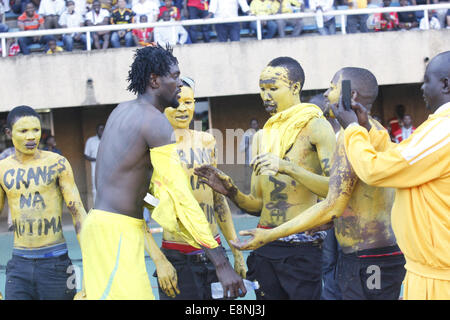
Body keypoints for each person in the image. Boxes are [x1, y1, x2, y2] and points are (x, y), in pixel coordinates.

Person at [79, 45, 246, 300]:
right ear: (154, 80)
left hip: (106, 227)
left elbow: (139, 190)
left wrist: (160, 204)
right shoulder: (155, 122)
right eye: (175, 76)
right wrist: (220, 262)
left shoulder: (121, 111)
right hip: (116, 233)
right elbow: (180, 195)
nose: (180, 83)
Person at [232, 68, 407, 300]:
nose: (326, 94)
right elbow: (349, 198)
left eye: (332, 88)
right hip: (358, 257)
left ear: (350, 95)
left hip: (371, 259)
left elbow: (332, 204)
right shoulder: (365, 132)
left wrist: (271, 234)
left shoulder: (355, 136)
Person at [195, 57, 336, 300]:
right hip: (264, 246)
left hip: (302, 248)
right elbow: (258, 205)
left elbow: (336, 191)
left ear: (295, 88)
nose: (265, 95)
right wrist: (230, 191)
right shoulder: (262, 136)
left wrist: (288, 168)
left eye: (273, 89)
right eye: (262, 89)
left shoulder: (316, 127)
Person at [330, 51, 450, 300]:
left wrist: (352, 130)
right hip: (426, 271)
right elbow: (403, 161)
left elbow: (375, 171)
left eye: (426, 80)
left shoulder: (444, 129)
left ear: (446, 84)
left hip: (438, 279)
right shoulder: (437, 128)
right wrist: (367, 131)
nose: (422, 87)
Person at [155, 76, 247, 299]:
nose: (182, 108)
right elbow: (140, 205)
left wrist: (236, 252)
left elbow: (217, 200)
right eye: (176, 102)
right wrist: (159, 261)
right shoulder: (153, 145)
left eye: (189, 102)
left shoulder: (207, 141)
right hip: (177, 257)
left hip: (214, 254)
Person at [0, 106, 87, 300]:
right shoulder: (2, 169)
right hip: (18, 266)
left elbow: (78, 213)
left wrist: (89, 271)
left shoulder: (58, 163)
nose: (31, 136)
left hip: (56, 264)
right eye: (23, 131)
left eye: (36, 130)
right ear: (8, 132)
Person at [308, 93, 341, 300]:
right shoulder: (313, 142)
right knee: (327, 262)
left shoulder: (345, 137)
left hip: (345, 215)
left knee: (342, 263)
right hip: (324, 214)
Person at [84, 123, 104, 203]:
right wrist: (97, 159)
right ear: (97, 130)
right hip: (95, 168)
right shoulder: (91, 141)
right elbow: (86, 155)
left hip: (108, 169)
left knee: (107, 189)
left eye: (103, 129)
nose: (101, 131)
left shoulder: (109, 139)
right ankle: (96, 208)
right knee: (95, 189)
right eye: (100, 129)